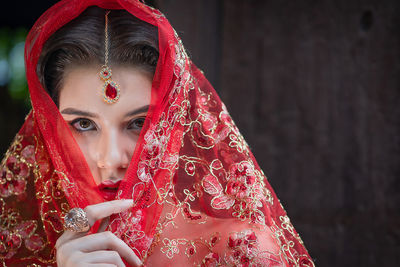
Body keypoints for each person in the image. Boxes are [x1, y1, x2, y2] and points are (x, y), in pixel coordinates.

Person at [0, 0, 314, 266]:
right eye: (84, 124)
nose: (111, 159)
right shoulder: (28, 246)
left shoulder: (237, 249)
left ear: (174, 120)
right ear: (52, 131)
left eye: (138, 123)